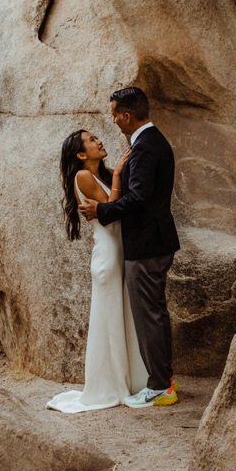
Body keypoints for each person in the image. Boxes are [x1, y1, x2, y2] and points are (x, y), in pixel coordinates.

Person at [79, 86, 180, 408]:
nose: (113, 121)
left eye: (114, 115)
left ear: (126, 115)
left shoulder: (146, 147)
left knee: (149, 316)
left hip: (147, 244)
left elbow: (139, 199)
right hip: (154, 241)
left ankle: (161, 386)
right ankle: (164, 380)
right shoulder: (150, 143)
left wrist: (102, 211)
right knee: (155, 314)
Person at [47, 129, 150, 412]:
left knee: (122, 316)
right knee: (109, 321)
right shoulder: (82, 177)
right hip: (107, 256)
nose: (98, 140)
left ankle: (130, 380)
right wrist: (117, 176)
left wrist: (115, 176)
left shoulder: (101, 175)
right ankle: (111, 384)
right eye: (91, 140)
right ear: (81, 155)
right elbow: (113, 210)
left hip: (119, 252)